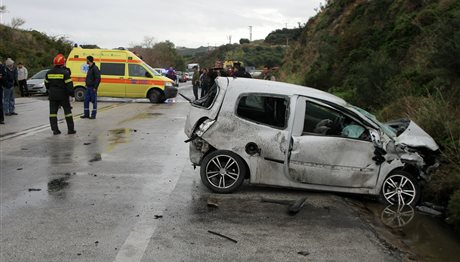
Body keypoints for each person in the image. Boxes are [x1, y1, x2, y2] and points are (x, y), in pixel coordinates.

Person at [45, 54, 76, 135]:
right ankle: (70, 129)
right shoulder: (65, 73)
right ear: (63, 63)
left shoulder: (48, 73)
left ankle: (55, 130)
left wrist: (51, 90)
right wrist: (72, 95)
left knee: (53, 113)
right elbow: (69, 85)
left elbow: (46, 84)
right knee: (67, 113)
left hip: (52, 96)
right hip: (63, 96)